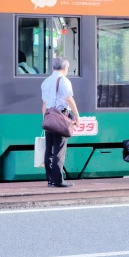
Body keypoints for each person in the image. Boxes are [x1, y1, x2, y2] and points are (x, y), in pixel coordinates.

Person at [41, 56, 80, 188]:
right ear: (65, 67)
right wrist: (77, 116)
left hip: (49, 116)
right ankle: (58, 180)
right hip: (61, 117)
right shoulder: (64, 81)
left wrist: (45, 118)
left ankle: (50, 179)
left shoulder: (46, 82)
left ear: (53, 67)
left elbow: (44, 104)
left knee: (49, 150)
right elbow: (69, 99)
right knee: (59, 149)